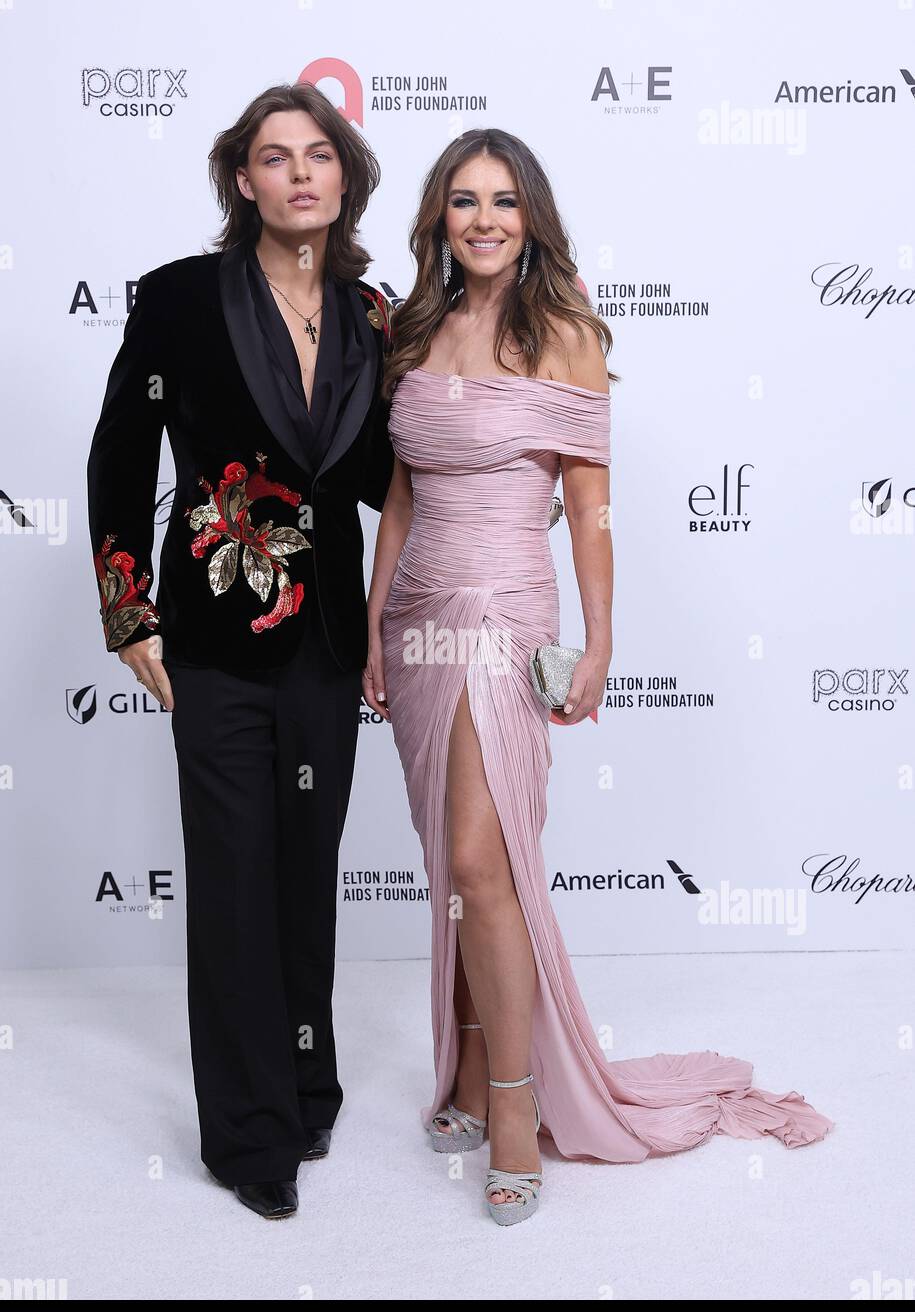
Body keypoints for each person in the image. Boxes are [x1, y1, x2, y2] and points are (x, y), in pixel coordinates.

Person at [362, 129, 833, 1227]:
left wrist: (603, 641)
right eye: (465, 200)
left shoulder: (564, 333)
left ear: (532, 221)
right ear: (437, 217)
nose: (484, 219)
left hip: (505, 614)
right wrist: (377, 628)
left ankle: (518, 1108)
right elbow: (401, 499)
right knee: (452, 863)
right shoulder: (414, 331)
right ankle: (472, 1071)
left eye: (506, 202)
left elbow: (588, 507)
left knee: (486, 861)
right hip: (421, 619)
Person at [86, 82, 394, 1220]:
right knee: (231, 878)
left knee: (305, 868)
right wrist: (129, 611)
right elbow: (120, 454)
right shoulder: (177, 301)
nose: (301, 173)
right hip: (211, 635)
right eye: (276, 156)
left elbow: (377, 477)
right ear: (242, 179)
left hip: (326, 640)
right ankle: (250, 1133)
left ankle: (304, 1079)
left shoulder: (374, 310)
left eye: (320, 154)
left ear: (345, 176)